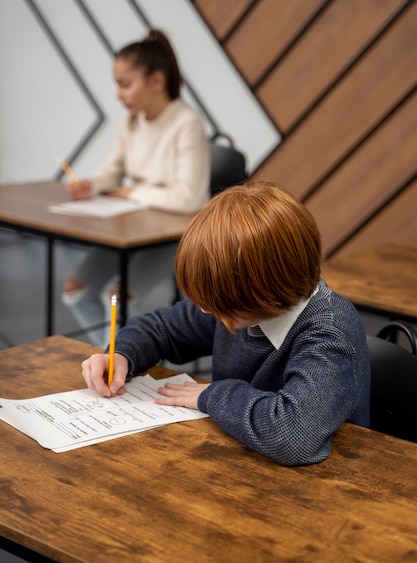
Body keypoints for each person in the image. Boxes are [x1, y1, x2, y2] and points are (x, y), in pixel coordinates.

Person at [81, 181, 370, 467]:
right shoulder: (237, 305)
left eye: (219, 304)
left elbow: (291, 435)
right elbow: (160, 327)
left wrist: (212, 395)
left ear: (263, 290)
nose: (205, 309)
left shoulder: (329, 334)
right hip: (244, 462)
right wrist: (122, 354)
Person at [62, 29, 210, 347]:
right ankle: (108, 354)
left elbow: (190, 198)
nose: (118, 94)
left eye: (125, 84)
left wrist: (132, 192)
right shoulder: (131, 121)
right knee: (75, 287)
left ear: (156, 81)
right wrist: (93, 185)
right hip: (133, 229)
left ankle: (111, 361)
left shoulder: (187, 124)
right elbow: (113, 171)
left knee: (116, 294)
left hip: (174, 236)